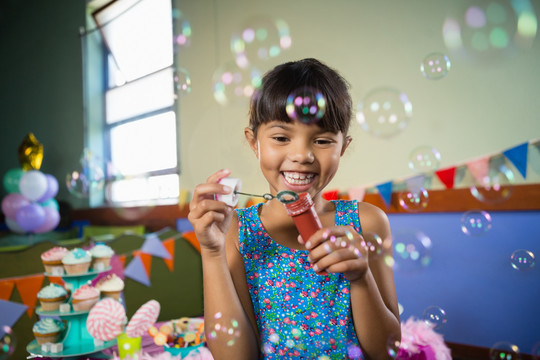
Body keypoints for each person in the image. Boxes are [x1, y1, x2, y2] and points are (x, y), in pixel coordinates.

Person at [188, 58, 400, 359]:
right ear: (254, 143)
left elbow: (386, 351)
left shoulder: (365, 223)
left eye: (323, 140)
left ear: (343, 146)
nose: (301, 154)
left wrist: (361, 276)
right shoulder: (236, 230)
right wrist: (212, 253)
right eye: (281, 137)